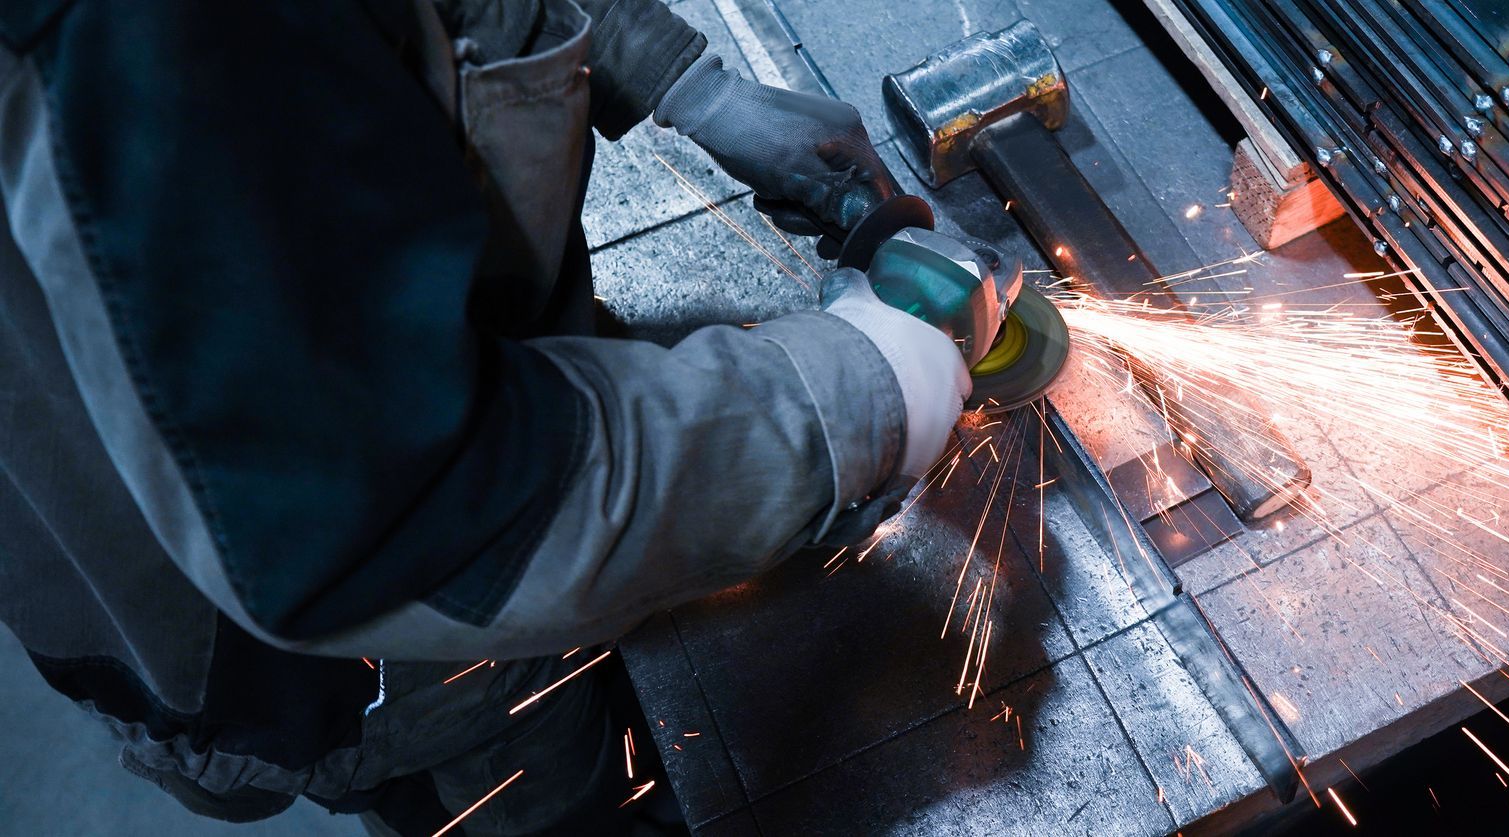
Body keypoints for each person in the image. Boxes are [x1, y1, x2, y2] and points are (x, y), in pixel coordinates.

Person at [0, 0, 969, 832]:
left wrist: (672, 74)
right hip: (337, 645)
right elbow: (408, 517)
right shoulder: (128, 39)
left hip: (375, 440)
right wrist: (857, 395)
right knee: (515, 771)